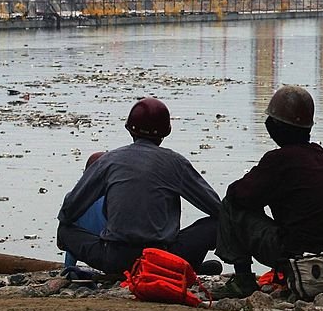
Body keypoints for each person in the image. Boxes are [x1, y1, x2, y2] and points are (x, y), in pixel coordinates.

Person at [57, 97, 221, 276]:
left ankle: (173, 269)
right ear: (165, 132)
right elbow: (218, 210)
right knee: (218, 224)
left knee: (65, 230)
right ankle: (185, 269)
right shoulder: (176, 163)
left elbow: (68, 211)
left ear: (130, 129)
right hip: (163, 257)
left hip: (114, 259)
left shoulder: (109, 160)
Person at [215, 85, 323, 298]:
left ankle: (242, 279)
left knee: (231, 204)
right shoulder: (318, 154)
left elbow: (239, 194)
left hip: (296, 251)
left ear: (276, 126)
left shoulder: (279, 160)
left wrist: (258, 182)